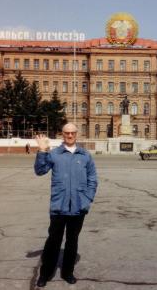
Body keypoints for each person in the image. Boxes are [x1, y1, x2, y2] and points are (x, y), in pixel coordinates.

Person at [34, 123, 98, 287]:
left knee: (72, 241)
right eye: (66, 133)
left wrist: (87, 198)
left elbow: (92, 179)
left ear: (77, 134)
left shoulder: (85, 155)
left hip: (78, 207)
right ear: (62, 134)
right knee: (53, 241)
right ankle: (45, 274)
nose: (69, 135)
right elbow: (40, 171)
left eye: (72, 133)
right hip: (59, 206)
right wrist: (42, 151)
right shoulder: (54, 154)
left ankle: (67, 272)